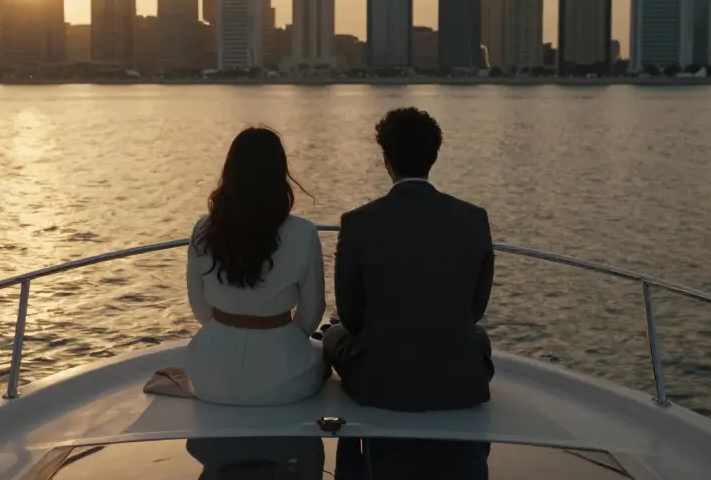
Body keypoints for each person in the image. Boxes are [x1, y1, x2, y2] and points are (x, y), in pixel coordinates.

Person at [323, 107, 495, 412]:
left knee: (333, 333)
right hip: (461, 382)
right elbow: (475, 310)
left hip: (380, 384)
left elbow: (351, 316)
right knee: (477, 336)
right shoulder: (474, 219)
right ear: (434, 157)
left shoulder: (358, 223)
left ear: (386, 159)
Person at [185, 127, 327, 405]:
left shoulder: (204, 229)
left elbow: (198, 303)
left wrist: (228, 331)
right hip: (284, 380)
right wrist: (286, 340)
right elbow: (312, 312)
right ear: (279, 175)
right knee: (322, 355)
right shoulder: (303, 232)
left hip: (210, 378)